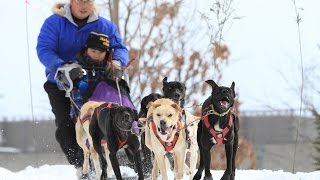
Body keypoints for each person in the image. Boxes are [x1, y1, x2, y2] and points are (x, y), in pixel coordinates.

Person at [36, 0, 128, 173]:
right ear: (71, 1)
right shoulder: (54, 23)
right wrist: (62, 66)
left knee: (104, 122)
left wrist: (117, 62)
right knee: (66, 126)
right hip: (60, 84)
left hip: (97, 83)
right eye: (80, 0)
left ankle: (111, 163)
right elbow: (44, 49)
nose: (84, 5)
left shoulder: (104, 25)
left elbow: (119, 48)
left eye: (88, 1)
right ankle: (82, 166)